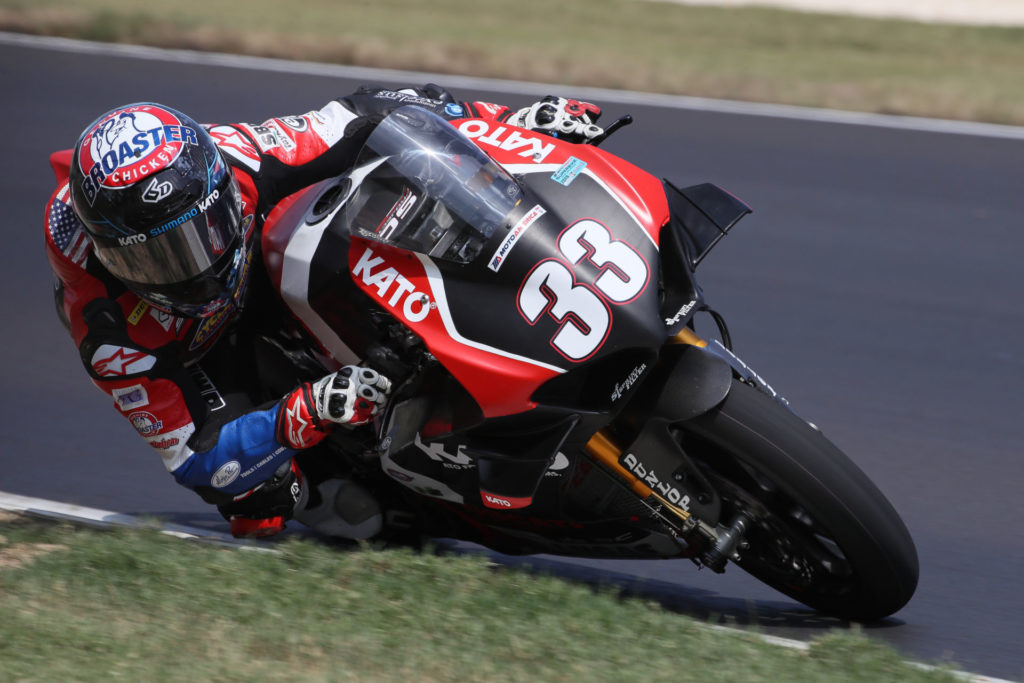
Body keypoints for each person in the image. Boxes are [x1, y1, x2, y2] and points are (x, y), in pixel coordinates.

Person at [44, 85, 604, 539]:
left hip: (266, 260)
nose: (188, 270)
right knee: (269, 505)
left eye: (196, 236)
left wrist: (509, 120)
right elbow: (192, 456)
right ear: (107, 255)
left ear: (219, 189)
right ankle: (360, 484)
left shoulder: (243, 155)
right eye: (150, 259)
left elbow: (367, 112)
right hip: (205, 351)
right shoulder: (109, 329)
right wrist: (307, 410)